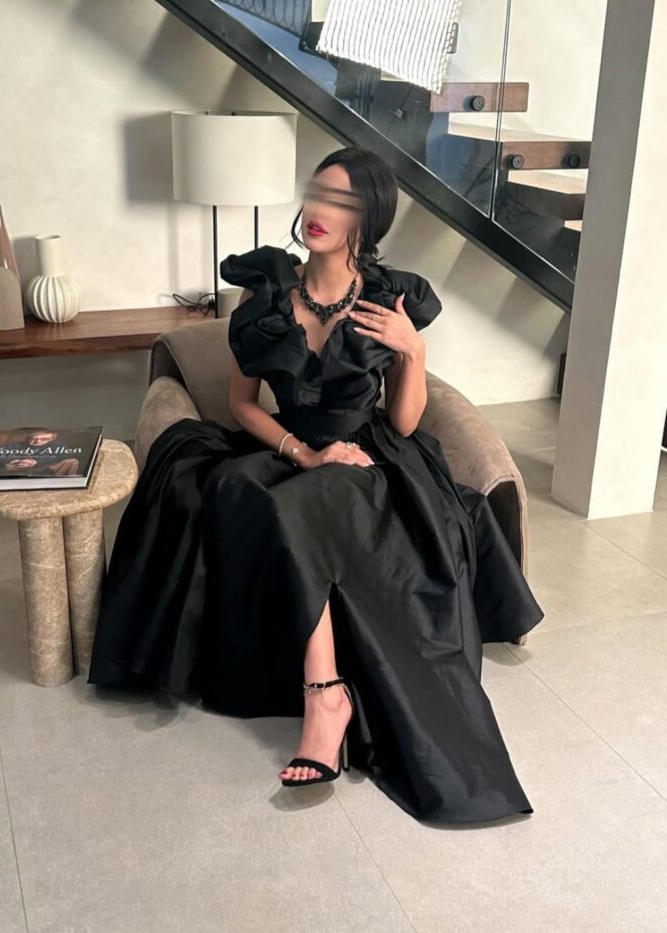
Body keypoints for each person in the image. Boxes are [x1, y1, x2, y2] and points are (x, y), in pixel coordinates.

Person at [87, 145, 545, 824]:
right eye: (316, 193)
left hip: (370, 456)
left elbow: (405, 420)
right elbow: (242, 405)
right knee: (246, 492)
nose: (318, 210)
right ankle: (325, 692)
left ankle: (326, 699)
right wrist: (302, 451)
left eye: (340, 200)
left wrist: (413, 350)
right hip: (287, 447)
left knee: (308, 501)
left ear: (369, 218)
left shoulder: (393, 297)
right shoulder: (267, 292)